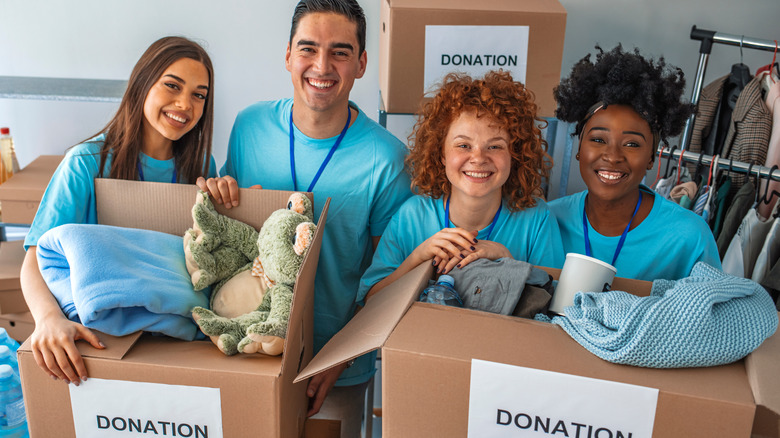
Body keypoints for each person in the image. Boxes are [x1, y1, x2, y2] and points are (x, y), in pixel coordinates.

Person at [197, 1, 411, 435]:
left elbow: (388, 282)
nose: (322, 65)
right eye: (308, 49)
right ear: (288, 56)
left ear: (362, 63)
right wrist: (217, 196)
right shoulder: (250, 126)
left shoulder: (387, 159)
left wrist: (341, 357)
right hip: (250, 348)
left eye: (340, 52)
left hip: (330, 368)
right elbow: (229, 235)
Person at [20, 36, 217, 386]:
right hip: (104, 340)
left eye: (199, 95)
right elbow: (35, 258)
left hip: (176, 341)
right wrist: (47, 319)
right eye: (172, 86)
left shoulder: (201, 168)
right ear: (142, 84)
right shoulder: (86, 162)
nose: (184, 103)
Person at [359, 70, 565, 301]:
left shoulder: (537, 219)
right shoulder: (411, 216)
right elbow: (369, 302)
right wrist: (417, 258)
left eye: (495, 146)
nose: (478, 158)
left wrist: (510, 263)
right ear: (441, 154)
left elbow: (556, 306)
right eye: (463, 146)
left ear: (515, 155)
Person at [549, 45, 721, 281]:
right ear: (580, 149)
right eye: (598, 139)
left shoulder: (689, 237)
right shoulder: (548, 222)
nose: (613, 156)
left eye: (631, 144)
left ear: (651, 157)